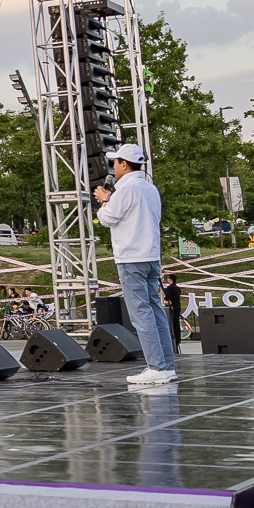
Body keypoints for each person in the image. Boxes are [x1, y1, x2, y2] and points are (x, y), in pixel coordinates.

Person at [94, 143, 174, 389]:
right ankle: (166, 365)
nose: (113, 167)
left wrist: (105, 202)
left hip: (131, 257)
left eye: (115, 162)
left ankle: (156, 367)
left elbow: (107, 218)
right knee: (154, 308)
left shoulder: (125, 189)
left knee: (141, 313)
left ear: (124, 164)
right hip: (150, 255)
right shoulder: (149, 188)